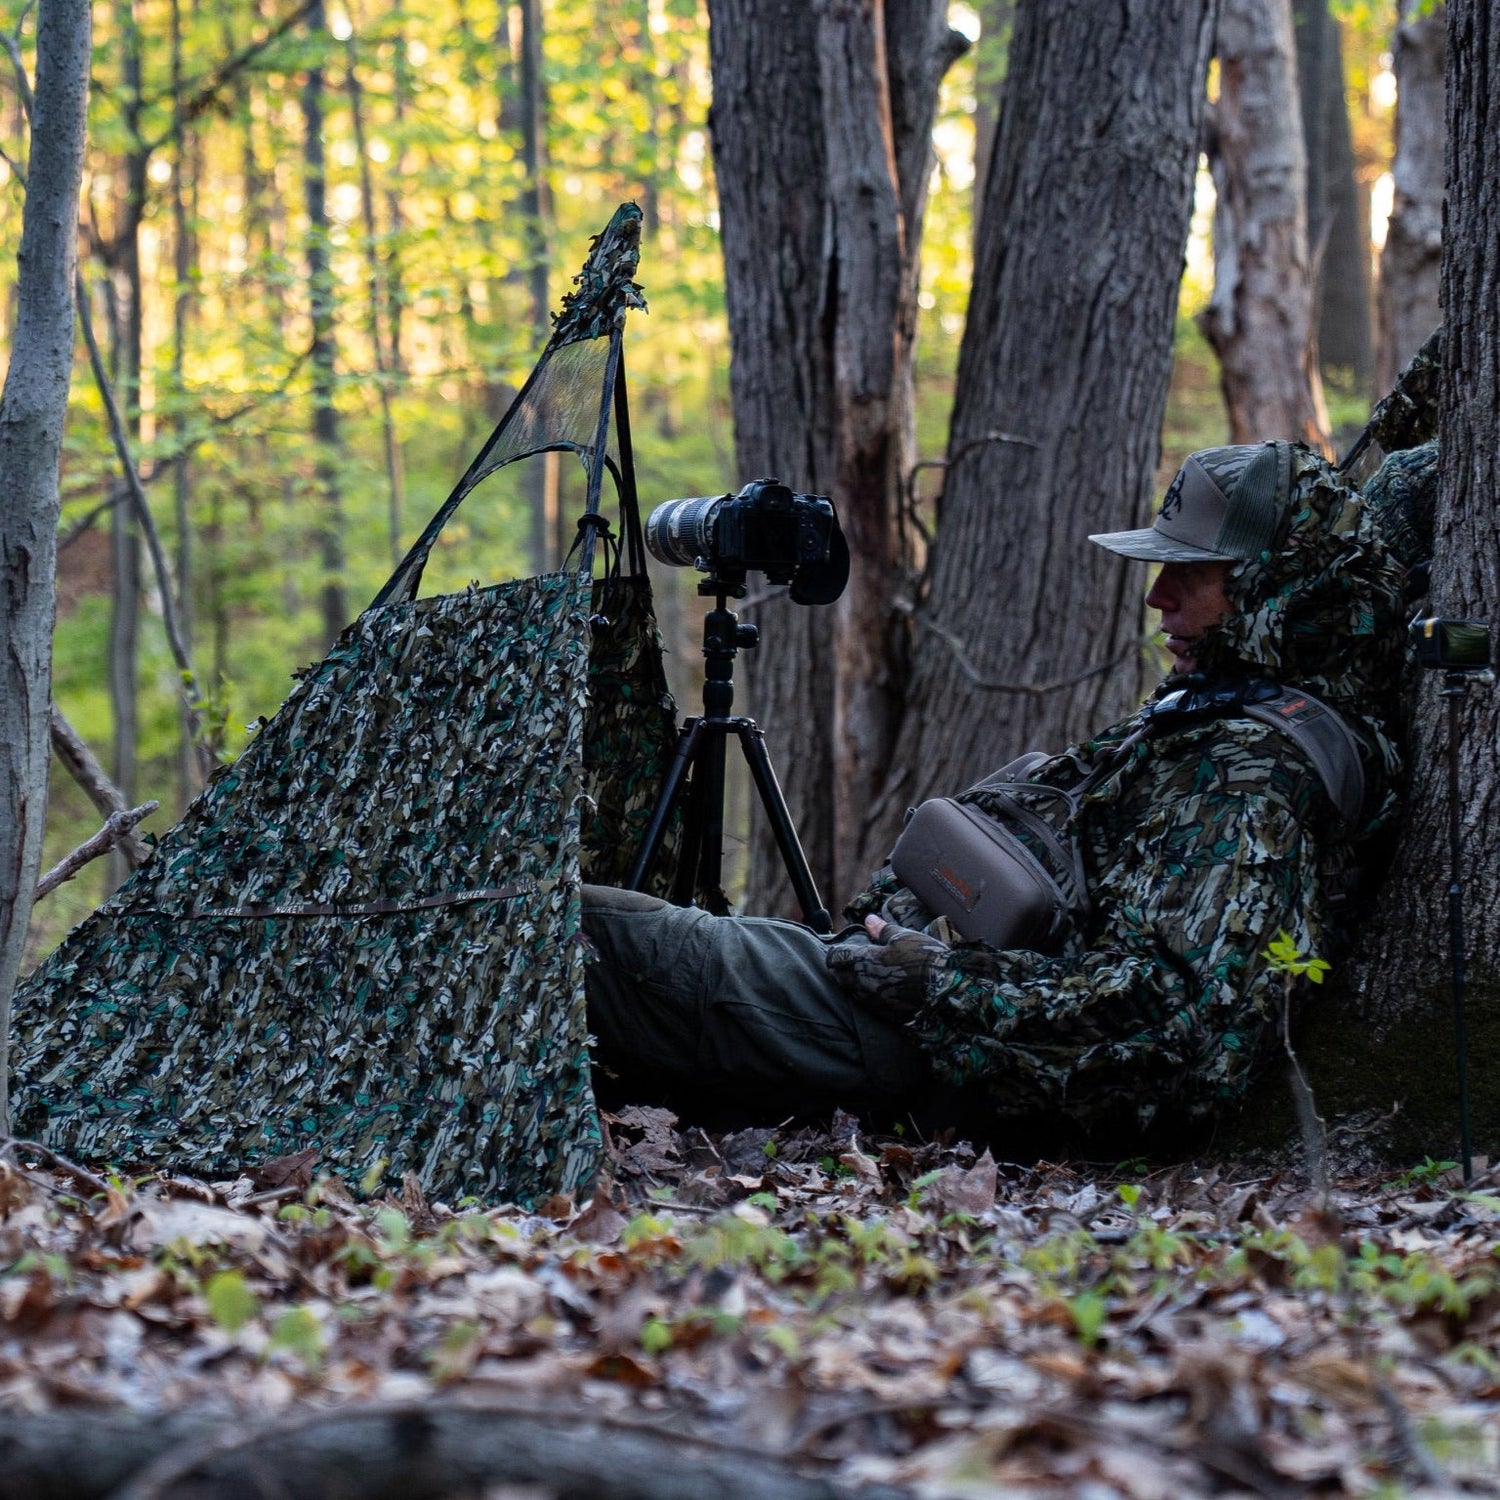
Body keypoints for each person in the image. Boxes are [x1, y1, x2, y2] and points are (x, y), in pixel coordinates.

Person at [583, 441, 1406, 1143]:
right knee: (616, 930)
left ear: (1273, 584)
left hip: (936, 1050)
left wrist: (939, 985)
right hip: (928, 1007)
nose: (1159, 595)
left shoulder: (1254, 769)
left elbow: (1178, 1029)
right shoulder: (1230, 707)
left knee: (592, 934)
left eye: (1191, 572)